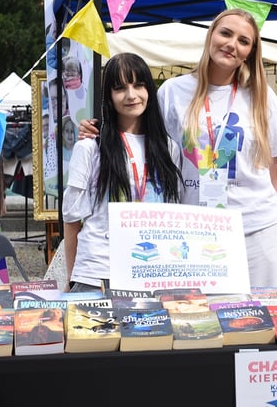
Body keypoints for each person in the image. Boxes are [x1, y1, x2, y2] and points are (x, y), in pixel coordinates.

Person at [80, 9, 277, 288]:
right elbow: (139, 134)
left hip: (257, 228)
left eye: (244, 41)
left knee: (258, 317)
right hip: (195, 228)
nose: (232, 44)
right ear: (211, 36)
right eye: (226, 33)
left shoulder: (263, 98)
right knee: (200, 320)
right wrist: (97, 129)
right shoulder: (173, 92)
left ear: (249, 53)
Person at [63, 52, 186, 293]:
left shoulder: (168, 148)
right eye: (120, 88)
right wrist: (71, 278)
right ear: (109, 96)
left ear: (149, 89)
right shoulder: (89, 147)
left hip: (152, 272)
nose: (131, 95)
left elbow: (173, 210)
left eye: (138, 85)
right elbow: (71, 220)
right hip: (99, 273)